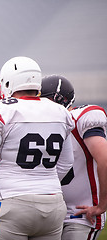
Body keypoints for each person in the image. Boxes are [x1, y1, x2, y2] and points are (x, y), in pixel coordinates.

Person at [0, 56, 75, 240]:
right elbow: (67, 162)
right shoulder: (60, 111)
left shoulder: (1, 110)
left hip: (11, 203)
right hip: (53, 204)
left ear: (8, 83)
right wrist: (41, 182)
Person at [41, 75, 107, 240]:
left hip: (79, 214)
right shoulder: (35, 124)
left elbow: (105, 159)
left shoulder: (82, 118)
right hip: (46, 213)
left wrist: (102, 204)